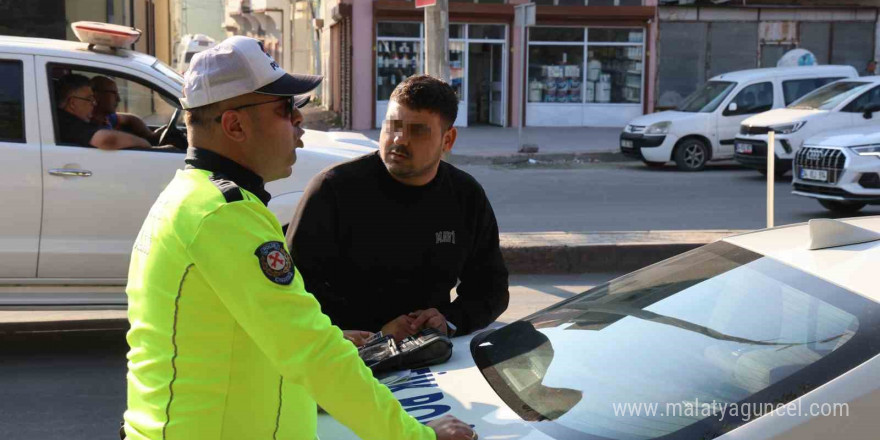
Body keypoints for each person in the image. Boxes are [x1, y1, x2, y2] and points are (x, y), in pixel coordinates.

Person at [122, 36, 476, 440]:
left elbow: (235, 333)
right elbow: (314, 357)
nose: (299, 121)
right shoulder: (223, 215)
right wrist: (419, 437)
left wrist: (328, 336)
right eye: (285, 108)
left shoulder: (198, 199)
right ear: (234, 124)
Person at [287, 75, 509, 342]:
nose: (399, 140)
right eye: (392, 126)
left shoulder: (465, 195)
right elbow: (294, 292)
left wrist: (448, 321)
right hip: (348, 357)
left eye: (417, 131)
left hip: (432, 355)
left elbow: (491, 288)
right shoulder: (332, 190)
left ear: (447, 140)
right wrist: (377, 335)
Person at [55, 73, 151, 150]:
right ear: (72, 103)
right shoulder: (65, 122)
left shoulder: (68, 118)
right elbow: (108, 140)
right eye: (90, 99)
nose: (94, 103)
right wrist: (146, 145)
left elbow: (130, 119)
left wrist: (150, 136)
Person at [90, 75, 160, 144]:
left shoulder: (105, 117)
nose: (118, 99)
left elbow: (131, 119)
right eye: (114, 93)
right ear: (97, 95)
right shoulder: (91, 126)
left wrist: (150, 135)